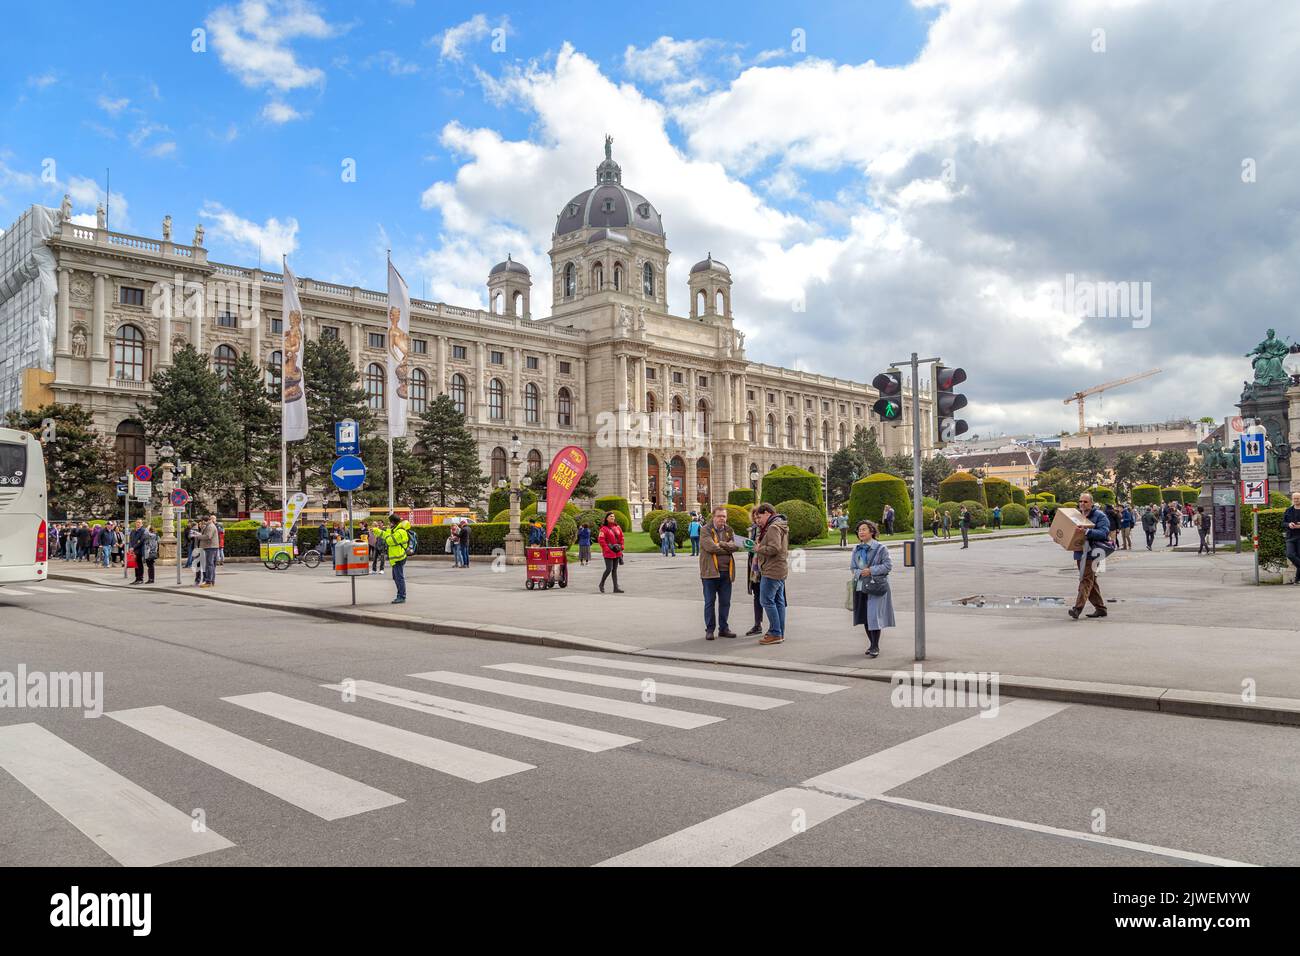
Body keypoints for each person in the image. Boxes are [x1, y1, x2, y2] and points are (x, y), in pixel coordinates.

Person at [850, 519, 894, 658]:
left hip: (876, 585)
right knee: (865, 616)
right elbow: (853, 567)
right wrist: (860, 572)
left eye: (864, 529)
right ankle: (871, 644)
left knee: (874, 616)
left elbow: (888, 566)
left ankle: (875, 646)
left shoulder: (881, 548)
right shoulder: (857, 549)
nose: (861, 532)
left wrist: (871, 570)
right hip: (861, 585)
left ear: (872, 531)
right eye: (859, 530)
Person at [1068, 492, 1111, 620]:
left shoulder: (1100, 516)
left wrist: (1087, 531)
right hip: (1080, 552)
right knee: (1091, 580)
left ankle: (1077, 609)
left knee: (1085, 580)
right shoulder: (1077, 516)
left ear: (1091, 503)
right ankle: (1101, 608)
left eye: (1085, 502)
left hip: (1093, 553)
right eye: (1080, 501)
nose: (1082, 504)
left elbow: (1104, 533)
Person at [699, 506, 740, 640]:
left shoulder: (729, 530)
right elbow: (710, 547)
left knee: (725, 602)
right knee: (709, 602)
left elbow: (736, 546)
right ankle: (710, 630)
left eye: (724, 516)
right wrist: (727, 547)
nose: (722, 518)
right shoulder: (705, 530)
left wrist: (721, 544)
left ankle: (724, 629)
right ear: (713, 517)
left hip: (726, 572)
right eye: (719, 516)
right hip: (710, 573)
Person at [751, 502, 789, 645]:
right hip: (780, 568)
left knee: (766, 600)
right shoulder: (779, 525)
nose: (757, 520)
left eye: (759, 517)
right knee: (778, 601)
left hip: (772, 569)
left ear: (767, 513)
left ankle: (775, 632)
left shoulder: (773, 527)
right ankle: (779, 631)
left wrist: (758, 548)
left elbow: (774, 548)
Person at [377, 513, 411, 603]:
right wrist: (376, 531)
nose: (389, 524)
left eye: (390, 522)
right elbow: (386, 535)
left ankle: (401, 596)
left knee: (399, 578)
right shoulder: (395, 530)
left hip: (399, 558)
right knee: (396, 577)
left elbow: (389, 541)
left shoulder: (400, 532)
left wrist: (387, 533)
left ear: (393, 522)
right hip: (396, 558)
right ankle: (400, 595)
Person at [744, 511, 764, 636]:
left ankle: (776, 627)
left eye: (759, 517)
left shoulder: (768, 529)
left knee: (769, 598)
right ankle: (758, 624)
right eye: (755, 517)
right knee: (757, 596)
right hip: (755, 568)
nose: (757, 519)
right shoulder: (754, 529)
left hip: (766, 567)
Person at [597, 511, 625, 593]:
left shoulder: (617, 527)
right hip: (608, 552)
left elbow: (621, 538)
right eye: (610, 516)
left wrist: (621, 546)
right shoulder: (603, 529)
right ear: (607, 518)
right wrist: (607, 549)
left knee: (614, 570)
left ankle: (616, 588)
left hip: (617, 551)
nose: (612, 518)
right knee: (609, 569)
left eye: (613, 516)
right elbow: (601, 540)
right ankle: (601, 584)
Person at [199, 515, 221, 588]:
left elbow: (208, 536)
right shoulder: (210, 525)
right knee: (211, 565)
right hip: (211, 547)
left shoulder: (210, 526)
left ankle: (209, 581)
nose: (202, 523)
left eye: (202, 522)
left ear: (204, 521)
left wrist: (198, 536)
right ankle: (211, 581)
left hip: (210, 547)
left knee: (209, 565)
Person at [1284, 493, 1300, 584]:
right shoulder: (1288, 510)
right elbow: (1283, 523)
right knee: (1290, 554)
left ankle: (1297, 580)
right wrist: (1289, 524)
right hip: (1290, 537)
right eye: (1294, 498)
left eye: (1298, 498)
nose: (1296, 500)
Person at [128, 519, 148, 584]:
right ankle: (137, 578)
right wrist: (131, 547)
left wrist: (133, 547)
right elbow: (130, 540)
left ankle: (140, 579)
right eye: (137, 522)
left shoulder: (143, 530)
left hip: (139, 550)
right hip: (133, 550)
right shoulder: (133, 531)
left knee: (139, 564)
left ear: (142, 524)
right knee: (135, 565)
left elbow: (141, 541)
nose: (138, 524)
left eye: (139, 522)